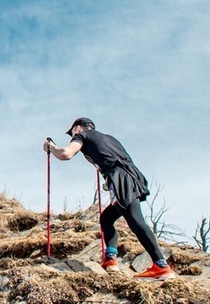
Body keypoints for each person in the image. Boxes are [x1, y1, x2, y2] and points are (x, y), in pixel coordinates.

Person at [44, 118, 177, 280]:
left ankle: (161, 266)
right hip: (133, 176)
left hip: (119, 178)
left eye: (71, 132)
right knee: (106, 219)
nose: (72, 136)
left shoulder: (82, 136)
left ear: (78, 128)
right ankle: (110, 260)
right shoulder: (109, 139)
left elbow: (65, 154)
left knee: (135, 220)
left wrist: (51, 147)